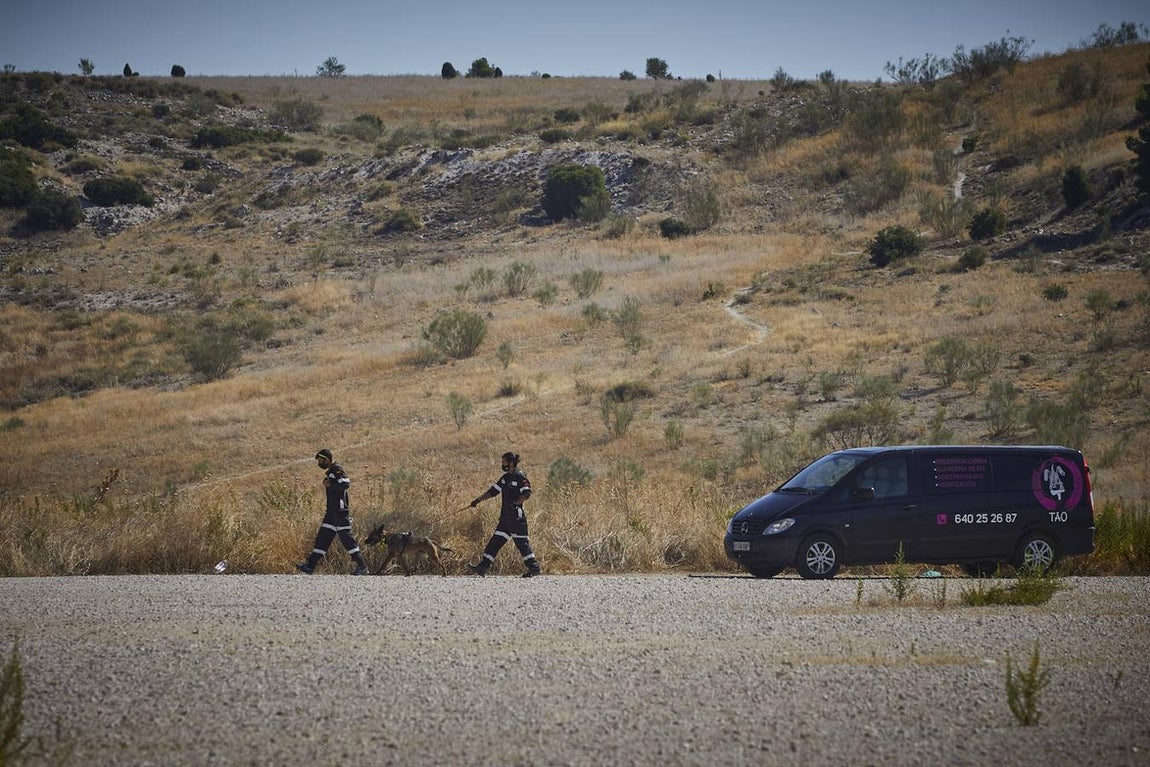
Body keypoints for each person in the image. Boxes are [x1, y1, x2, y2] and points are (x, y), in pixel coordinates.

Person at [467, 452, 542, 578]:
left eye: (504, 462)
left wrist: (517, 503)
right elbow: (493, 491)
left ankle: (534, 568)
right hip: (505, 519)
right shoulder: (505, 478)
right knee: (495, 542)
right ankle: (482, 567)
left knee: (522, 544)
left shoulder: (520, 476)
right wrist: (478, 500)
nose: (502, 464)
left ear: (511, 462)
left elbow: (527, 492)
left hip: (517, 519)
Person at [296, 449, 369, 575]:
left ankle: (362, 567)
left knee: (347, 540)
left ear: (327, 459)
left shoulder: (337, 469)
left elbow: (346, 483)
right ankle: (310, 566)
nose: (319, 463)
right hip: (331, 513)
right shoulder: (330, 472)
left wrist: (331, 485)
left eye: (320, 460)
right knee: (322, 538)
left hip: (340, 512)